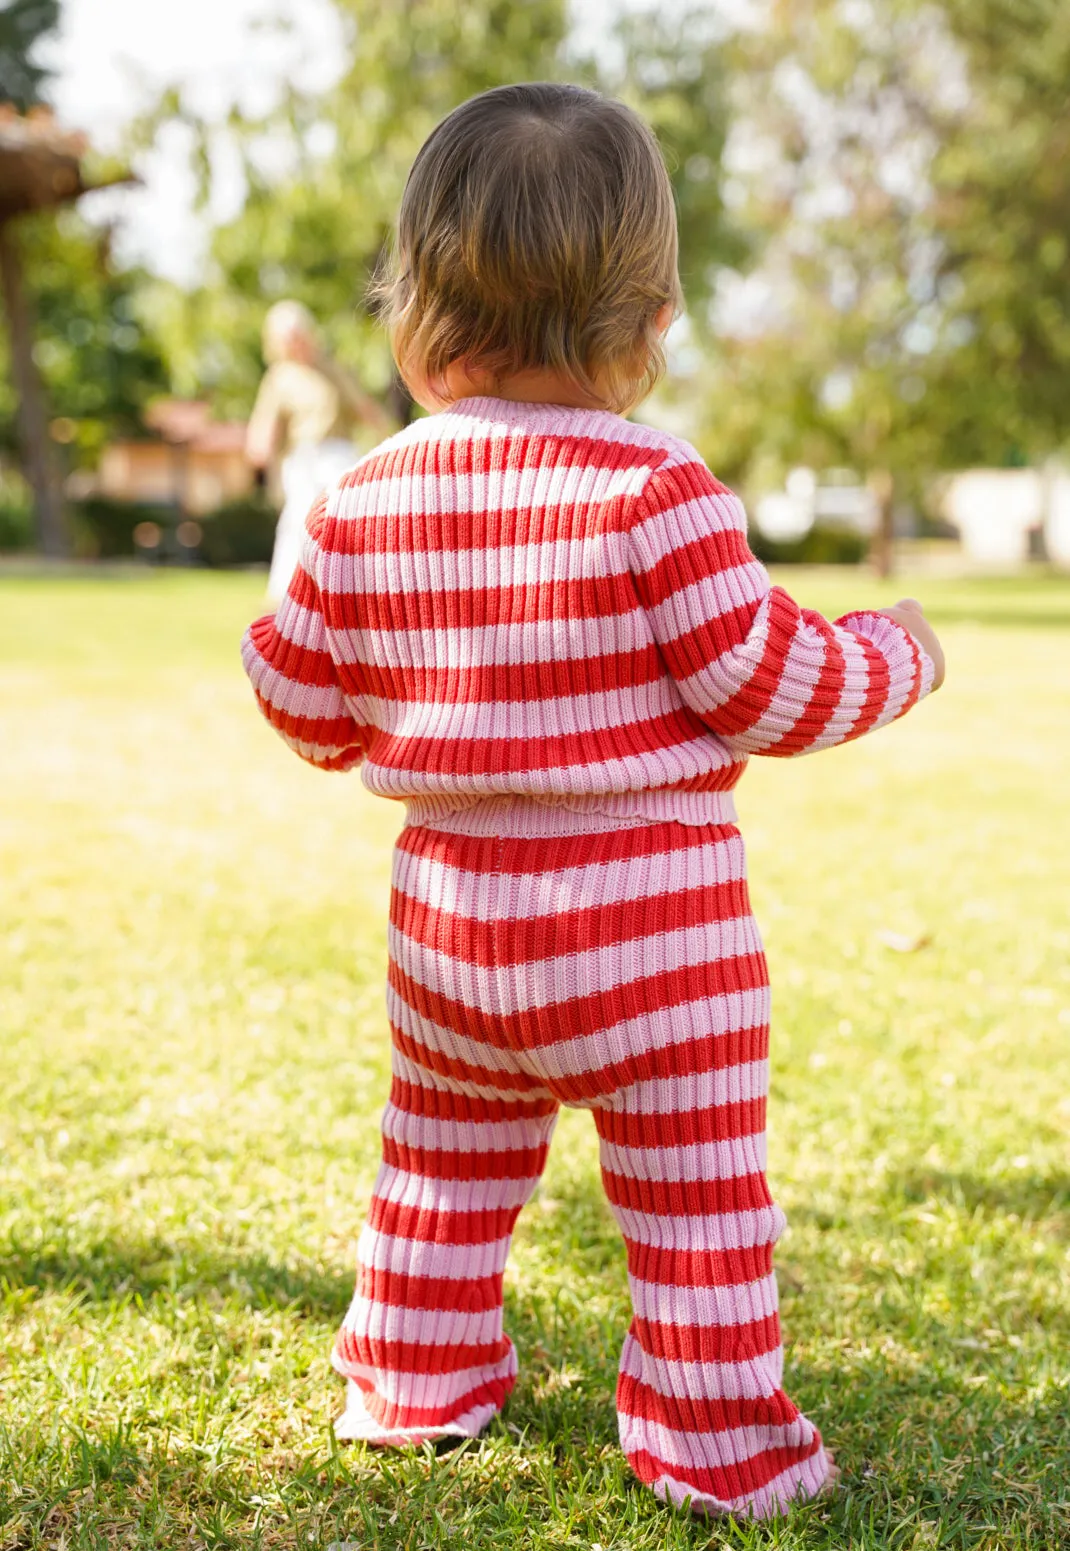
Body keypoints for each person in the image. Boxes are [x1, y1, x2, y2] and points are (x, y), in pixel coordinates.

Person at [241, 84, 945, 1519]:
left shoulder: (360, 500)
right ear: (649, 318)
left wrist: (275, 637)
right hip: (654, 936)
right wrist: (897, 651)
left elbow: (309, 710)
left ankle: (411, 1379)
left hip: (449, 929)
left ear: (417, 304)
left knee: (438, 1161)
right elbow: (763, 685)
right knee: (694, 1203)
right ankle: (713, 1438)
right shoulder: (659, 487)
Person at [246, 300, 392, 602]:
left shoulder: (332, 368)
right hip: (302, 459)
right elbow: (265, 423)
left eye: (298, 334)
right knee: (296, 521)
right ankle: (283, 594)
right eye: (288, 338)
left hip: (339, 454)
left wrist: (390, 435)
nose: (295, 342)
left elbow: (362, 407)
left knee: (346, 521)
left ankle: (352, 590)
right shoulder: (280, 376)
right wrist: (259, 450)